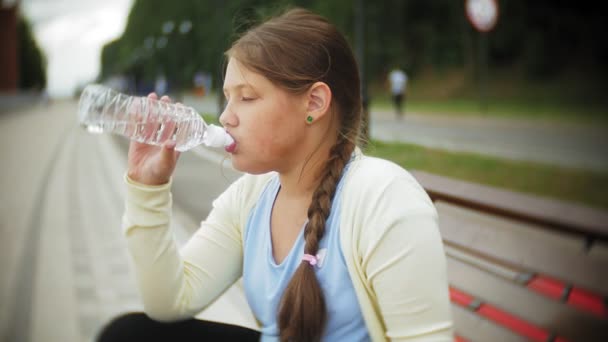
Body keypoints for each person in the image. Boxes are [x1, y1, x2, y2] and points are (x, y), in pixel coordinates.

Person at [97, 8, 452, 342]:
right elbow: (169, 301)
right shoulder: (251, 197)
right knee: (129, 334)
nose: (226, 117)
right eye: (227, 98)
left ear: (314, 103)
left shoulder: (382, 198)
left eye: (247, 98)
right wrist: (148, 188)